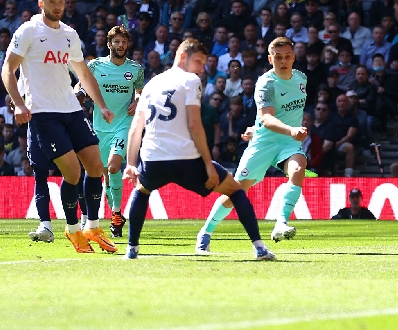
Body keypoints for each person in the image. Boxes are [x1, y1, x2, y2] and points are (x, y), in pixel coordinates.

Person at [122, 38, 274, 260]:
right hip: (185, 159)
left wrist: (131, 165)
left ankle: (132, 249)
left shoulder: (152, 83)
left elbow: (136, 127)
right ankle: (260, 247)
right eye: (199, 61)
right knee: (235, 190)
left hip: (152, 158)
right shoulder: (190, 81)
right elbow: (194, 124)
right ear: (183, 57)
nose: (202, 68)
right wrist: (207, 165)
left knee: (142, 190)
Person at [3, 0, 117, 254]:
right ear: (41, 4)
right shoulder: (28, 31)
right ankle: (73, 229)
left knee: (95, 166)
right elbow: (8, 69)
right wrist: (19, 104)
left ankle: (92, 225)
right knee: (72, 172)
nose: (58, 6)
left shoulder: (69, 34)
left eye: (61, 2)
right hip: (43, 113)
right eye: (52, 2)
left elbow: (83, 74)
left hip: (71, 110)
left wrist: (101, 105)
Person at [196, 37, 309, 249]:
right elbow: (266, 118)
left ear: (293, 57)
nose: (283, 61)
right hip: (264, 143)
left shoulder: (301, 78)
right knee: (235, 192)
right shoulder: (266, 84)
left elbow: (285, 112)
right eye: (278, 57)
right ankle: (206, 231)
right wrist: (288, 129)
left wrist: (286, 132)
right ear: (270, 58)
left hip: (288, 143)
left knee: (298, 169)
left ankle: (281, 223)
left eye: (287, 57)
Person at [81, 26, 144, 238]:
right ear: (109, 44)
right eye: (116, 42)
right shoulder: (96, 65)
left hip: (124, 123)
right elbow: (83, 87)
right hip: (99, 127)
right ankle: (114, 214)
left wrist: (137, 100)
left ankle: (116, 214)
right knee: (104, 174)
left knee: (114, 166)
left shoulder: (135, 69)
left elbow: (141, 93)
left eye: (124, 42)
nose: (121, 45)